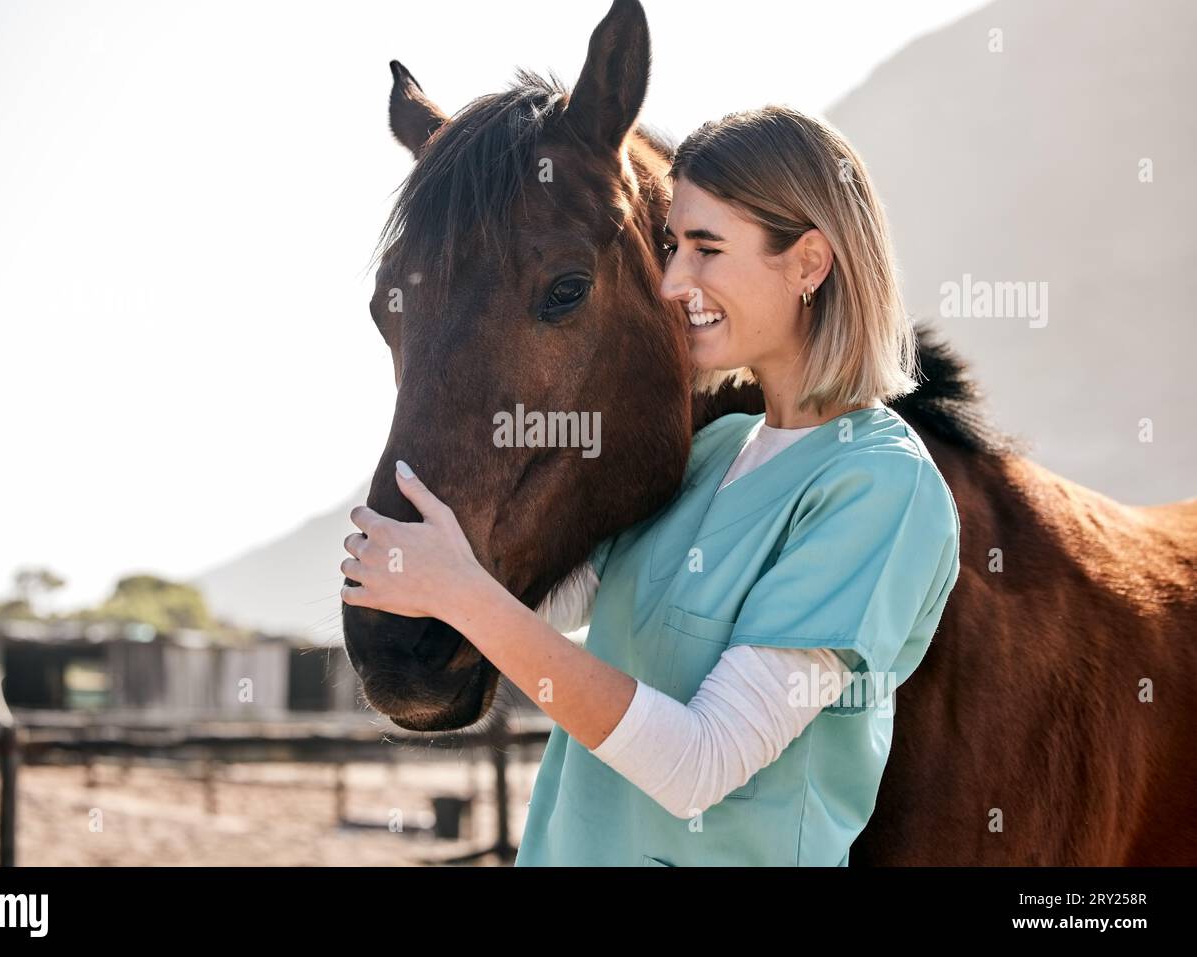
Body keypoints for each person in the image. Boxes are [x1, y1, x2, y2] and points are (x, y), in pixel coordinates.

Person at [340, 105, 961, 866]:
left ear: (807, 263)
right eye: (672, 246)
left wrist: (461, 593)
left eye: (705, 248)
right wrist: (431, 563)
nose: (671, 282)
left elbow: (701, 763)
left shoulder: (879, 489)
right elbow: (552, 605)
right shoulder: (712, 455)